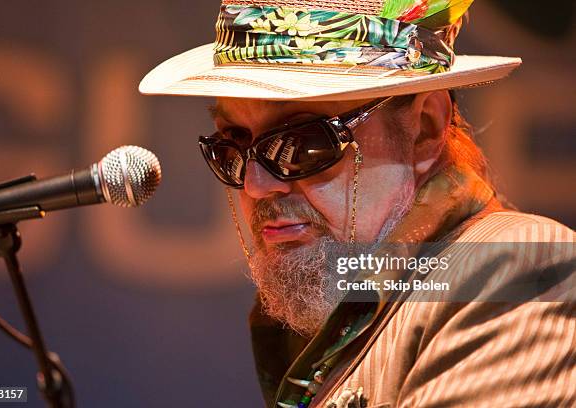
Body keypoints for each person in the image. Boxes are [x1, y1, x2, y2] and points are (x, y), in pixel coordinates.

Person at [139, 1, 575, 406]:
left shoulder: (521, 269)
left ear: (423, 127)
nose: (255, 185)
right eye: (230, 146)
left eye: (303, 144)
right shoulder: (342, 309)